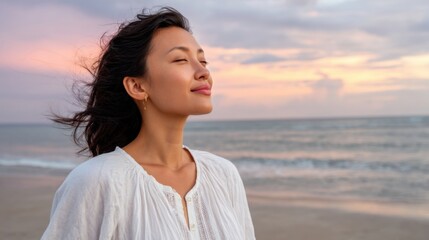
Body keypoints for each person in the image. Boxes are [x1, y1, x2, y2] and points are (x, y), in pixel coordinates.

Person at [41, 7, 255, 240]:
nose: (203, 71)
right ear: (138, 86)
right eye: (181, 59)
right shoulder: (96, 181)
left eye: (203, 60)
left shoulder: (223, 174)